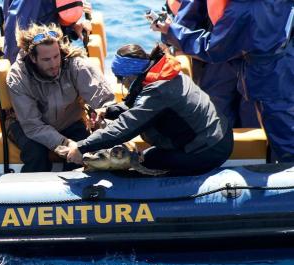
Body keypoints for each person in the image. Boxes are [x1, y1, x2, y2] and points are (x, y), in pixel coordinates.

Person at [151, 0, 294, 162]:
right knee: (284, 126)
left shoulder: (240, 10)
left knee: (283, 138)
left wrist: (171, 31)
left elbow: (214, 49)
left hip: (266, 78)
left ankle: (285, 176)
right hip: (286, 64)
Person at [66, 44, 233, 176]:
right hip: (217, 134)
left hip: (208, 149)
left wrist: (81, 147)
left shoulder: (158, 91)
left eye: (119, 78)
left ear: (130, 76)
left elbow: (124, 129)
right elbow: (143, 108)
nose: (119, 83)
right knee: (147, 157)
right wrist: (108, 111)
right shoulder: (164, 74)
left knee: (142, 163)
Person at [6, 23, 115, 172]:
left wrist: (105, 121)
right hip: (28, 126)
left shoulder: (76, 64)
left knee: (84, 149)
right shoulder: (18, 76)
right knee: (36, 153)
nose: (54, 64)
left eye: (56, 56)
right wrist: (66, 144)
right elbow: (33, 126)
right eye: (46, 59)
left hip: (70, 121)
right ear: (32, 57)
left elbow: (105, 102)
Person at [163, 0, 259, 128]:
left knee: (218, 113)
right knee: (254, 114)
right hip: (259, 58)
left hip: (218, 58)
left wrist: (171, 33)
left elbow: (186, 21)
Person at [3, 0, 92, 63]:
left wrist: (73, 26)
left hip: (56, 54)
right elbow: (14, 35)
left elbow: (49, 16)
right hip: (37, 64)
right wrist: (15, 70)